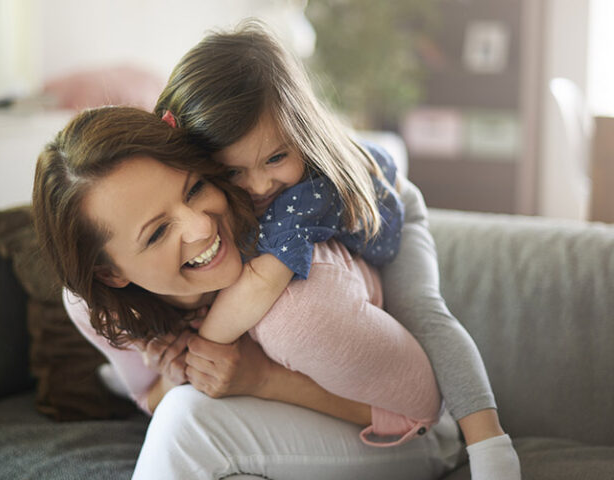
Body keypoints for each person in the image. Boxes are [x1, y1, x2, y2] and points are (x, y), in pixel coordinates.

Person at [154, 20, 520, 480]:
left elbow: (262, 281)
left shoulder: (307, 192)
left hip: (391, 208)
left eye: (275, 158)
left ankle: (489, 442)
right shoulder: (243, 190)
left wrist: (202, 346)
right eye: (232, 173)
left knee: (421, 310)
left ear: (302, 133)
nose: (260, 185)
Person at [33, 106, 463, 479]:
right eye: (158, 232)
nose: (202, 226)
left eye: (195, 188)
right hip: (275, 434)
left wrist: (261, 378)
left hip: (412, 438)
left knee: (185, 421)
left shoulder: (296, 299)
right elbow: (149, 397)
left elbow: (424, 411)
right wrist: (177, 372)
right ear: (110, 274)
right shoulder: (101, 308)